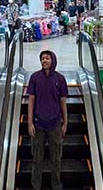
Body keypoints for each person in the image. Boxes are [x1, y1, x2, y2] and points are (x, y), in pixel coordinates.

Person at [27, 50, 68, 190]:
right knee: (37, 159)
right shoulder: (35, 77)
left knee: (56, 158)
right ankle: (35, 186)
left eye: (47, 58)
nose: (44, 61)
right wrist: (30, 122)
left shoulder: (60, 79)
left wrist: (65, 123)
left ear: (53, 60)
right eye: (42, 58)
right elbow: (31, 100)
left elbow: (63, 102)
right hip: (38, 124)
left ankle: (56, 186)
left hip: (55, 124)